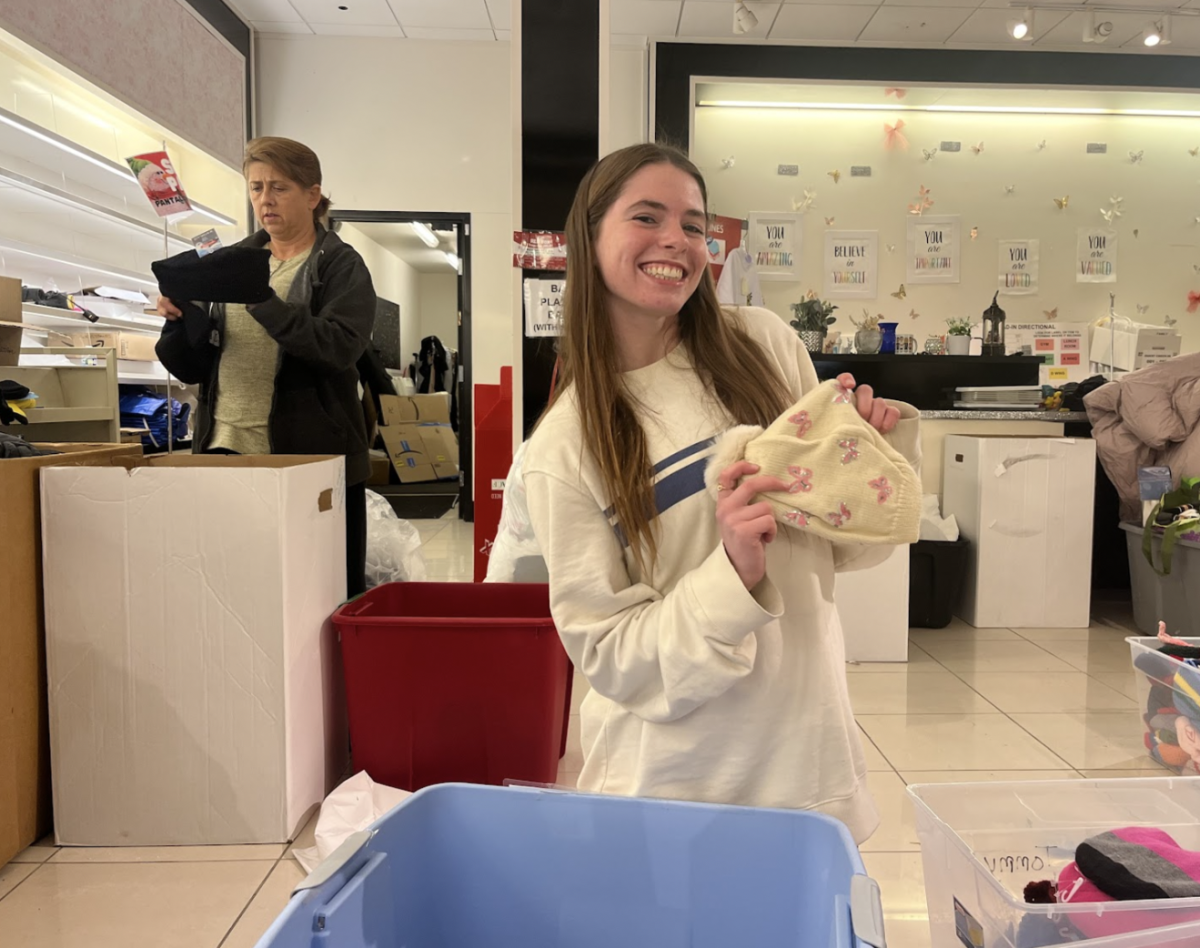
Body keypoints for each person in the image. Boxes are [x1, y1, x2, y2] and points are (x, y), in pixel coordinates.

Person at [522, 143, 921, 844]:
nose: (676, 239)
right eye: (646, 217)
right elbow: (614, 657)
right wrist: (732, 573)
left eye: (694, 224)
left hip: (807, 765)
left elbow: (839, 557)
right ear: (588, 238)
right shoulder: (564, 446)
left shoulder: (765, 346)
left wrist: (868, 462)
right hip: (673, 791)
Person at [155, 136, 376, 597]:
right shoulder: (229, 264)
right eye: (256, 188)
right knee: (234, 588)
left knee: (317, 592)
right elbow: (194, 368)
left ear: (312, 195)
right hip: (224, 449)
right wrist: (178, 322)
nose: (265, 200)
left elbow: (337, 348)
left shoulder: (339, 265)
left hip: (308, 458)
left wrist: (264, 301)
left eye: (279, 187)